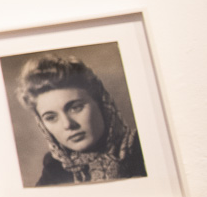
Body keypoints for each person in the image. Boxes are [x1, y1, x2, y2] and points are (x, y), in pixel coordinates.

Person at [15, 54, 146, 186]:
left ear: (102, 103)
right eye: (51, 117)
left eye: (76, 108)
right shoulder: (54, 170)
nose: (68, 124)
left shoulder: (143, 149)